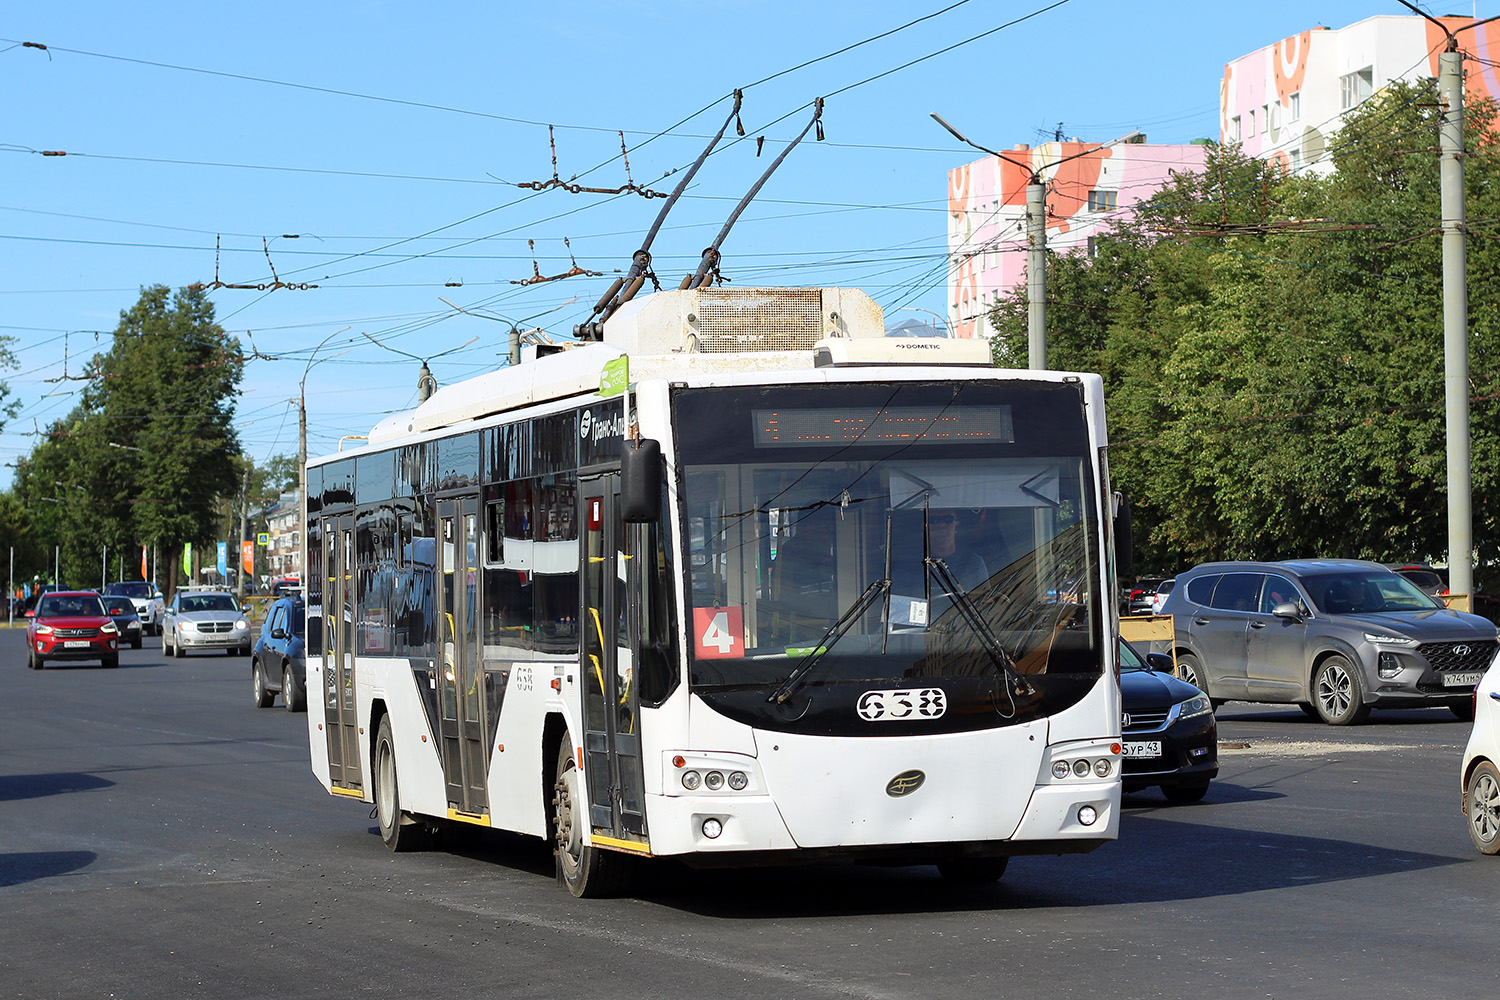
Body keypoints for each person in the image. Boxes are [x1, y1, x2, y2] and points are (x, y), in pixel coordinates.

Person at [926, 510, 990, 593]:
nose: (942, 525)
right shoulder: (916, 565)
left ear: (956, 524)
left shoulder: (975, 562)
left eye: (948, 520)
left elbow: (985, 598)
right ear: (925, 526)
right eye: (934, 520)